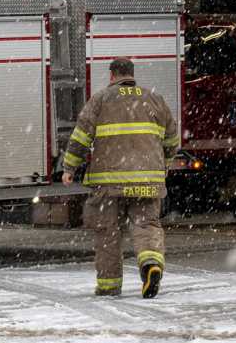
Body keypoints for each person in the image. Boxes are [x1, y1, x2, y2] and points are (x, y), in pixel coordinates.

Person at [59, 57, 178, 298]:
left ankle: (109, 285)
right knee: (146, 225)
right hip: (147, 181)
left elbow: (81, 136)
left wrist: (69, 167)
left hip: (108, 184)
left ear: (112, 76)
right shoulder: (155, 99)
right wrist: (164, 166)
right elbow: (172, 140)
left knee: (108, 233)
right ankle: (150, 265)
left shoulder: (101, 100)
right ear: (132, 75)